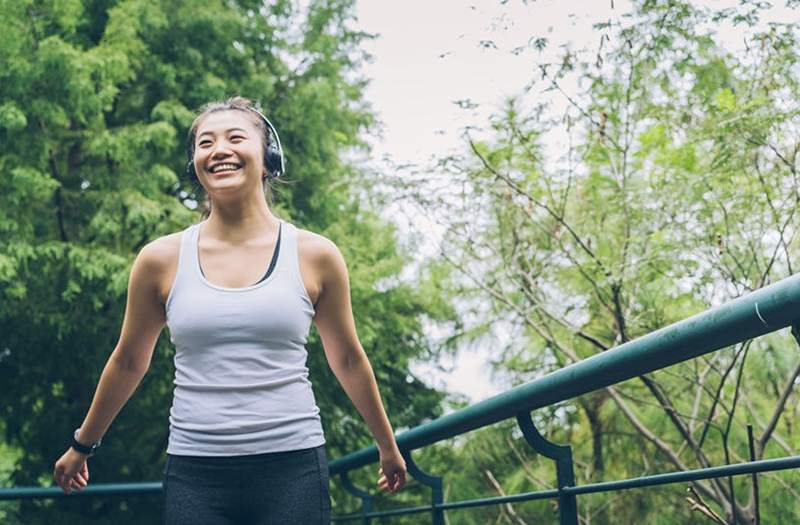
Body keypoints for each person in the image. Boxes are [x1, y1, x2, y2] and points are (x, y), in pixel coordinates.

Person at [53, 96, 407, 524]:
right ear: (195, 166)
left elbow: (348, 359)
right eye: (205, 143)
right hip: (195, 471)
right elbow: (128, 361)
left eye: (235, 138)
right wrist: (82, 445)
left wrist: (387, 445)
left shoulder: (315, 254)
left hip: (292, 466)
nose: (219, 149)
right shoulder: (159, 259)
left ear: (268, 158)